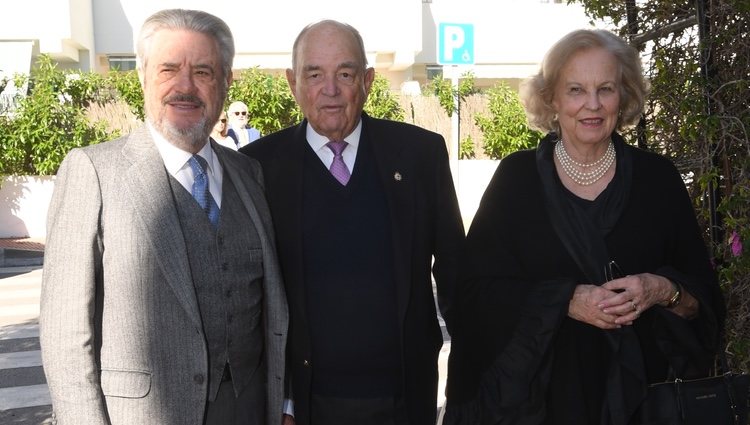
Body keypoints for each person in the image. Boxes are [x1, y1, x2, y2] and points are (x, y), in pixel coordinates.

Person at [444, 29, 725, 425]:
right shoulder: (516, 179)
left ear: (623, 96)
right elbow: (473, 295)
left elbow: (703, 301)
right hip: (539, 407)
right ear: (551, 99)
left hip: (645, 404)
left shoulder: (657, 179)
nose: (592, 104)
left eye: (605, 89)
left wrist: (661, 290)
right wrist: (565, 301)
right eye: (576, 89)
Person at [39, 9, 288, 425]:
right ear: (143, 76)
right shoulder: (93, 172)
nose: (185, 87)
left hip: (248, 409)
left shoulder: (249, 172)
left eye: (204, 72)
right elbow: (65, 336)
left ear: (226, 81)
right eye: (169, 69)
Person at [241, 19, 464, 425]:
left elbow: (456, 277)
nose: (330, 89)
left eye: (345, 74)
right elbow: (248, 297)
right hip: (304, 405)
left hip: (403, 399)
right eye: (314, 74)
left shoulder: (419, 156)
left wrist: (470, 380)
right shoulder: (256, 167)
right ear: (293, 82)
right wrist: (282, 399)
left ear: (368, 81)